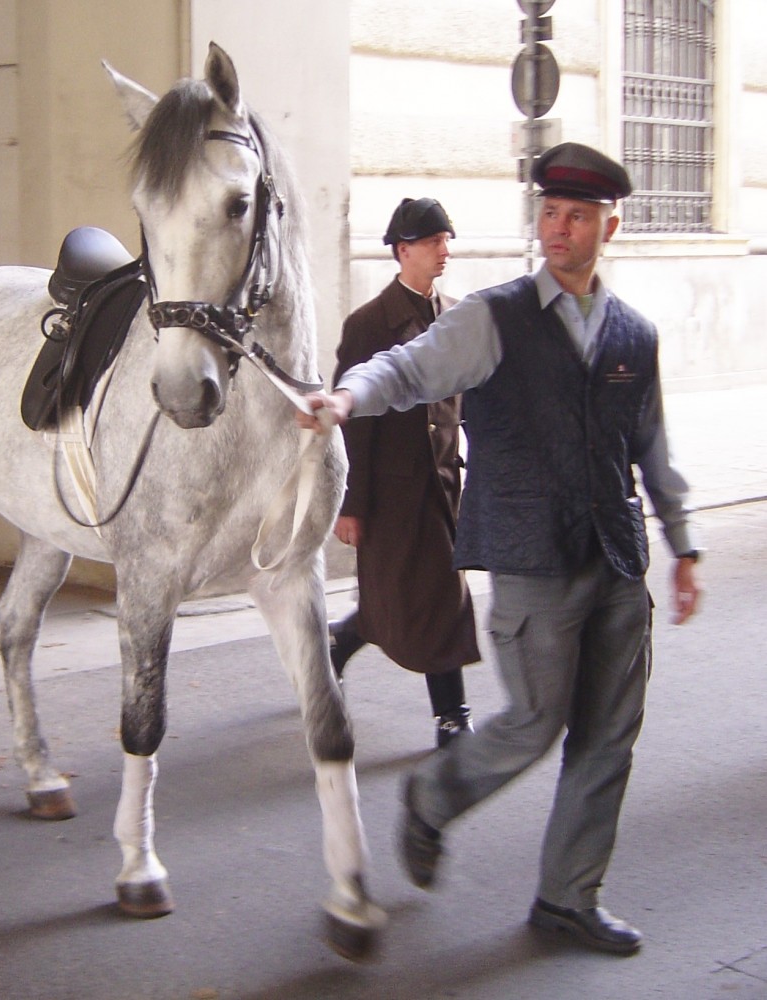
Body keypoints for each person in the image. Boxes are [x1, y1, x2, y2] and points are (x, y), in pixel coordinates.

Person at [298, 143, 703, 955]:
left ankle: (567, 896)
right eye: (549, 211)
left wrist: (682, 543)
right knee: (533, 722)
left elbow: (650, 445)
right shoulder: (494, 316)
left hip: (617, 557)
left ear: (608, 226)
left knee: (608, 736)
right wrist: (345, 398)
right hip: (530, 556)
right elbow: (409, 368)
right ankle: (432, 797)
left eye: (577, 215)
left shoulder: (633, 333)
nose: (557, 227)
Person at [329, 197, 480, 749]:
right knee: (411, 595)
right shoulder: (369, 324)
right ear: (403, 251)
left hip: (442, 485)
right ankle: (451, 713)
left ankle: (343, 645)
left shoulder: (458, 316)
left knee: (432, 594)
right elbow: (355, 427)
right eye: (434, 241)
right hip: (392, 493)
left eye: (447, 240)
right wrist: (351, 504)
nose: (445, 251)